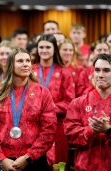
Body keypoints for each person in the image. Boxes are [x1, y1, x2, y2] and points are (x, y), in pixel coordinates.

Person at [0, 48, 57, 171]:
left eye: (28, 60)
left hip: (34, 160)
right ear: (11, 65)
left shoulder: (43, 93)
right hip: (3, 160)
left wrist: (29, 157)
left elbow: (49, 130)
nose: (26, 64)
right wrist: (1, 158)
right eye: (20, 61)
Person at [63, 53, 111, 171]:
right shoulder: (78, 103)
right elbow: (69, 134)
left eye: (106, 70)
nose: (100, 75)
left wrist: (110, 130)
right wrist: (91, 131)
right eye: (97, 70)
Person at [32, 34, 75, 165]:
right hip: (32, 126)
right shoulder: (30, 70)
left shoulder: (64, 72)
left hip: (57, 126)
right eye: (41, 47)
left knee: (58, 164)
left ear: (55, 49)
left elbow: (70, 102)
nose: (44, 50)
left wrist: (47, 109)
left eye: (48, 47)